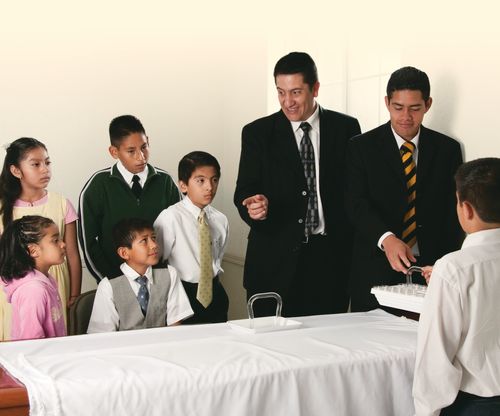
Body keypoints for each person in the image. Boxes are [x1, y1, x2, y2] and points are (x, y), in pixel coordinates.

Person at [234, 52, 361, 317]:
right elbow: (244, 191)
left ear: (315, 89)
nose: (287, 102)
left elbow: (354, 192)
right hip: (273, 263)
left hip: (331, 262)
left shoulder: (346, 128)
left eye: (295, 92)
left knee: (327, 350)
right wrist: (254, 206)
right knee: (272, 351)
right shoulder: (257, 133)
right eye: (281, 92)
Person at [345, 66, 463, 312]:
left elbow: (453, 214)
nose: (406, 116)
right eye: (398, 107)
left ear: (428, 104)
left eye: (415, 108)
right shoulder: (360, 147)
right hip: (374, 270)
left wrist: (446, 267)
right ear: (387, 102)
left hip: (431, 271)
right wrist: (386, 239)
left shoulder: (448, 149)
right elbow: (355, 204)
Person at [413, 158, 500, 415]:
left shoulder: (453, 269)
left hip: (478, 405)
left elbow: (435, 360)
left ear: (466, 209)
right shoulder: (453, 270)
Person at [78, 115, 180, 282]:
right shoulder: (97, 186)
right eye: (131, 151)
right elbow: (88, 242)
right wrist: (110, 280)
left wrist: (167, 277)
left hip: (161, 280)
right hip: (115, 280)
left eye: (144, 147)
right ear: (114, 152)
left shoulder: (165, 182)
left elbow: (178, 233)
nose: (141, 157)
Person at [0, 137, 81, 340]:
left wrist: (75, 295)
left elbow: (72, 252)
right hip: (17, 289)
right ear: (16, 170)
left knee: (56, 334)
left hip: (56, 281)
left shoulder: (61, 204)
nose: (45, 169)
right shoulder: (2, 207)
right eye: (36, 164)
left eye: (47, 162)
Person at [154, 151, 229, 324]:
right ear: (183, 186)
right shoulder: (170, 217)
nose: (209, 187)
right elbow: (158, 263)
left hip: (215, 294)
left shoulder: (220, 220)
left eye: (214, 180)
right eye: (200, 180)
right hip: (182, 295)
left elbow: (217, 258)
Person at [87, 218, 193, 333]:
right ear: (124, 253)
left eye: (153, 238)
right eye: (144, 241)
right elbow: (102, 335)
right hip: (123, 348)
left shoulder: (169, 274)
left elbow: (175, 323)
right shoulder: (108, 285)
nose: (154, 245)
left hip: (162, 346)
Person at [0, 216, 67, 340]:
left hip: (53, 355)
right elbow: (31, 341)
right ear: (33, 250)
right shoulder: (33, 291)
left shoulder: (46, 280)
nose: (63, 244)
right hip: (39, 358)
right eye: (55, 240)